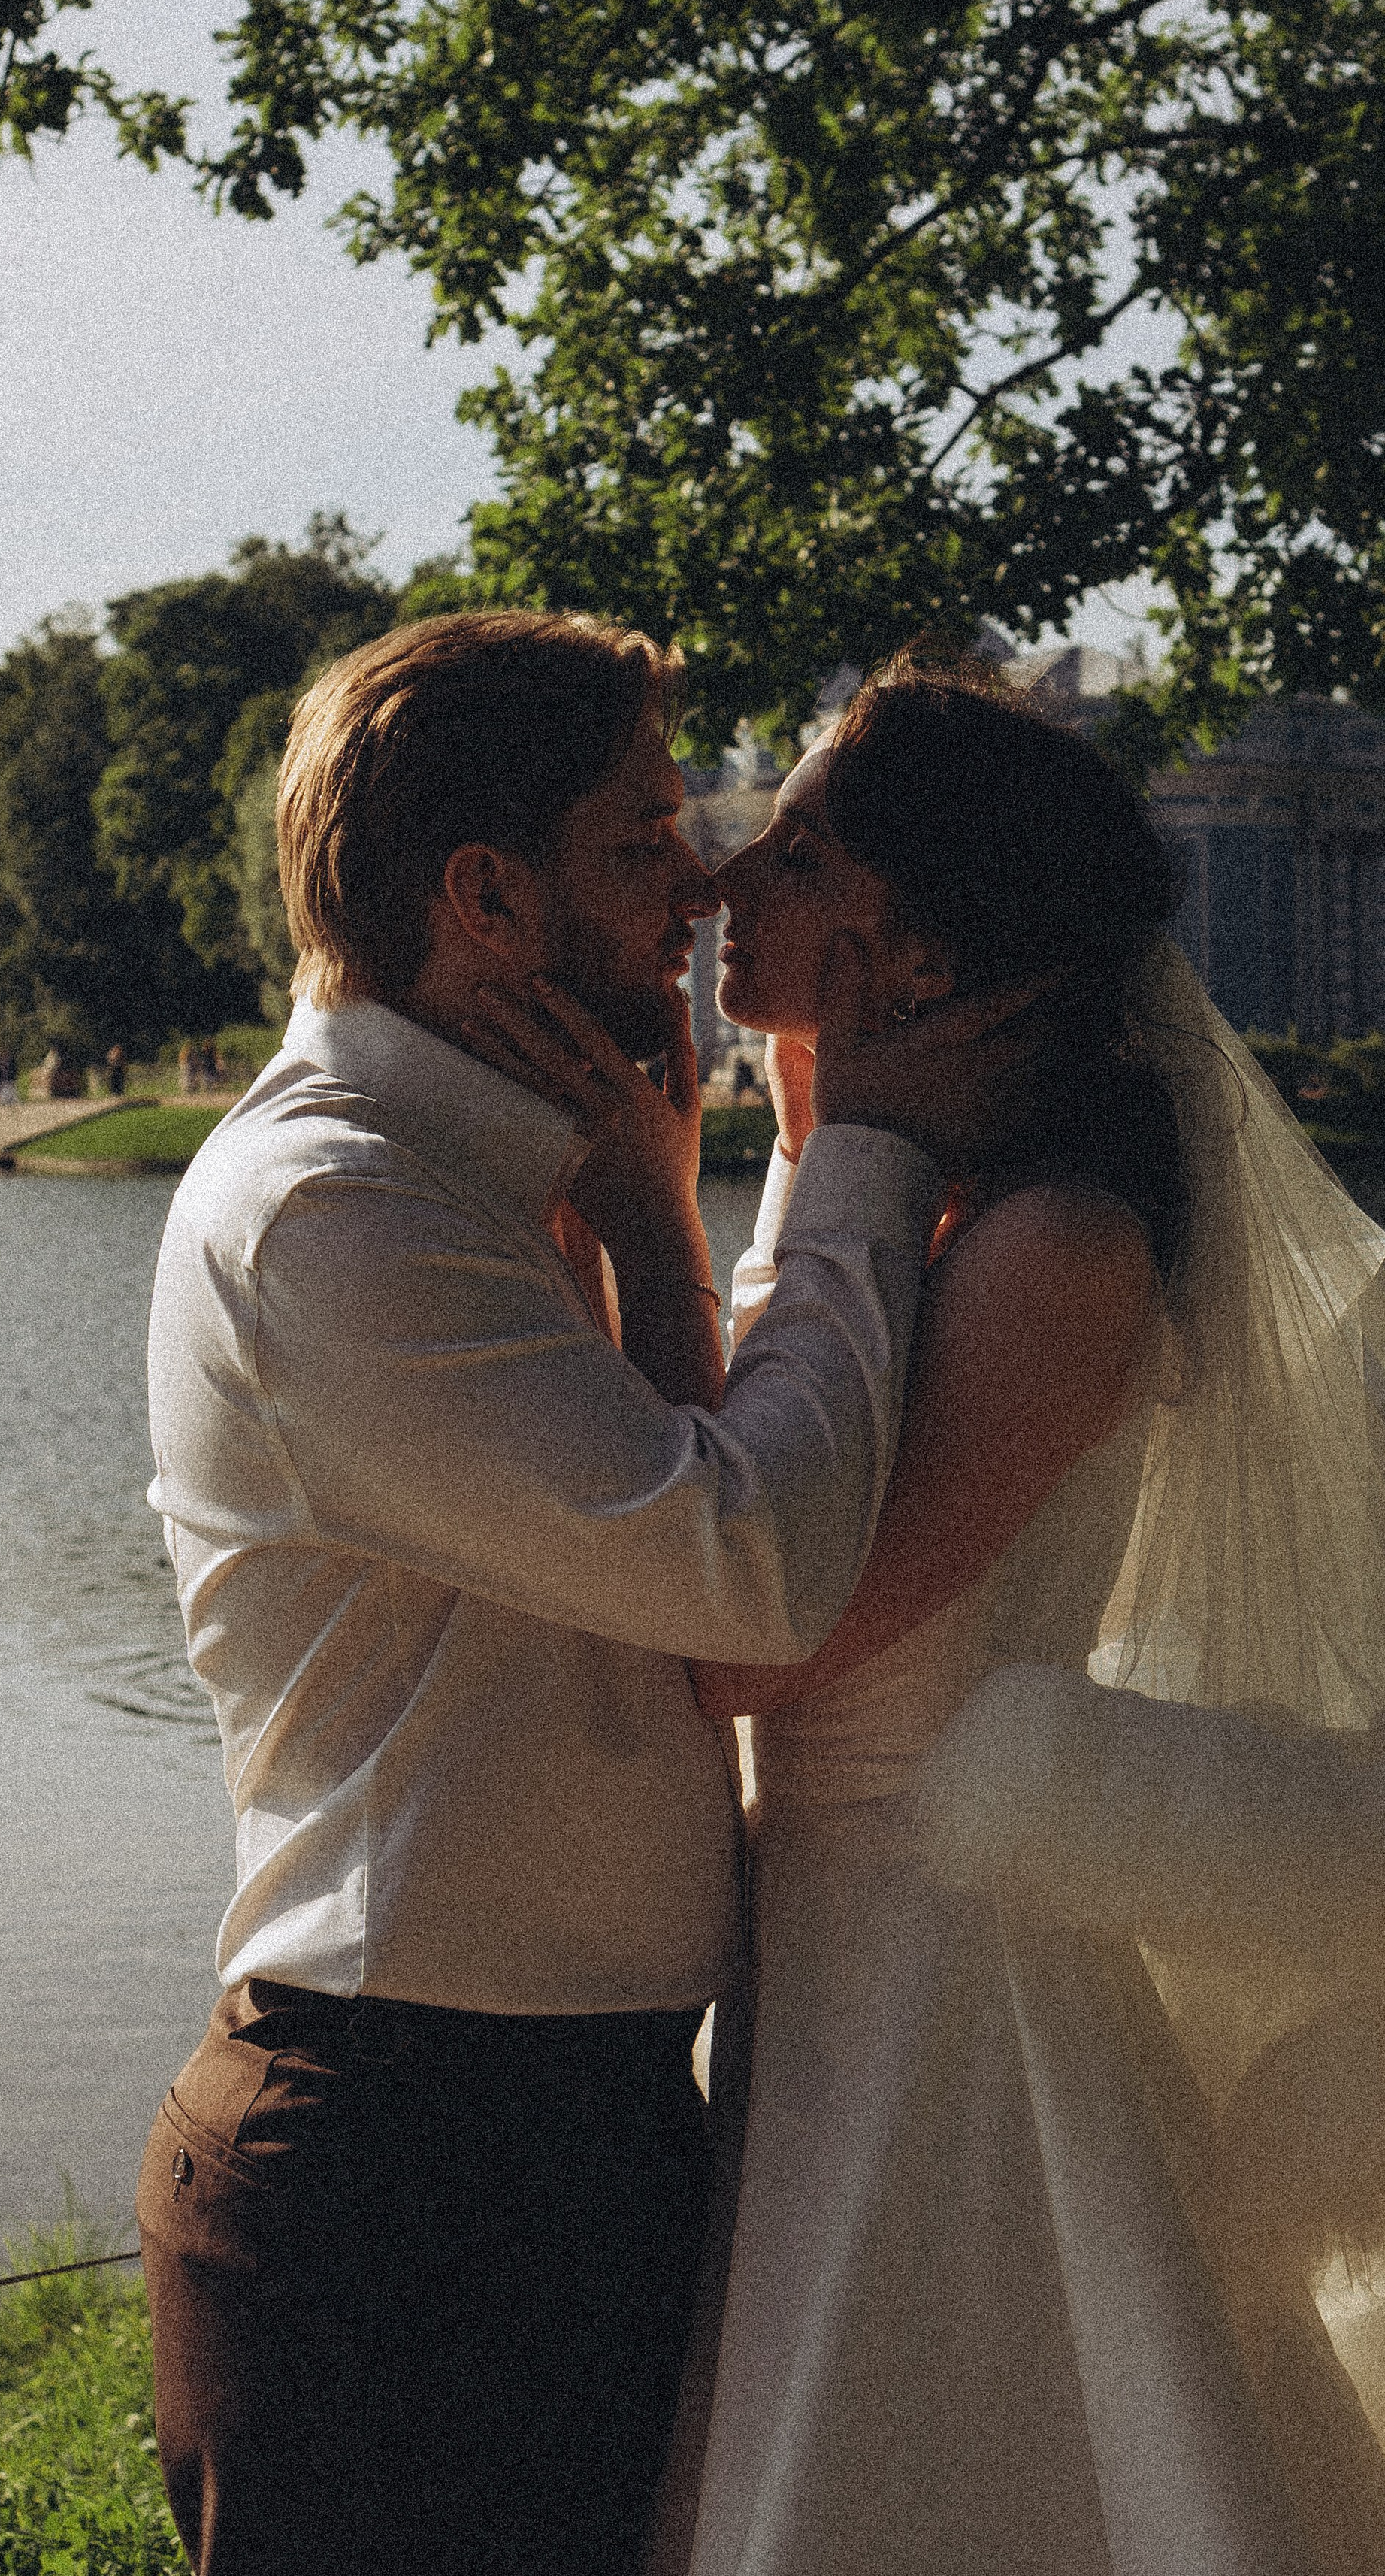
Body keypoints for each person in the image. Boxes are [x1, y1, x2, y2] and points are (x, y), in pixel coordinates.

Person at [613, 651, 1385, 2576]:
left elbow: (755, 1638)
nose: (717, 877)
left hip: (953, 1981)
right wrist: (800, 1137)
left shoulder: (1052, 1248)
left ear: (917, 949)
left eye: (790, 847)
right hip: (837, 1948)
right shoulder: (915, 1206)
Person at [134, 610, 1041, 2576]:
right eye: (645, 842)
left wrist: (650, 1212)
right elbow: (754, 1567)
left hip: (557, 2139)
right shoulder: (340, 1214)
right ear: (484, 895)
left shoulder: (492, 1181)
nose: (706, 882)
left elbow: (694, 1577)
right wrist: (858, 1152)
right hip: (404, 2176)